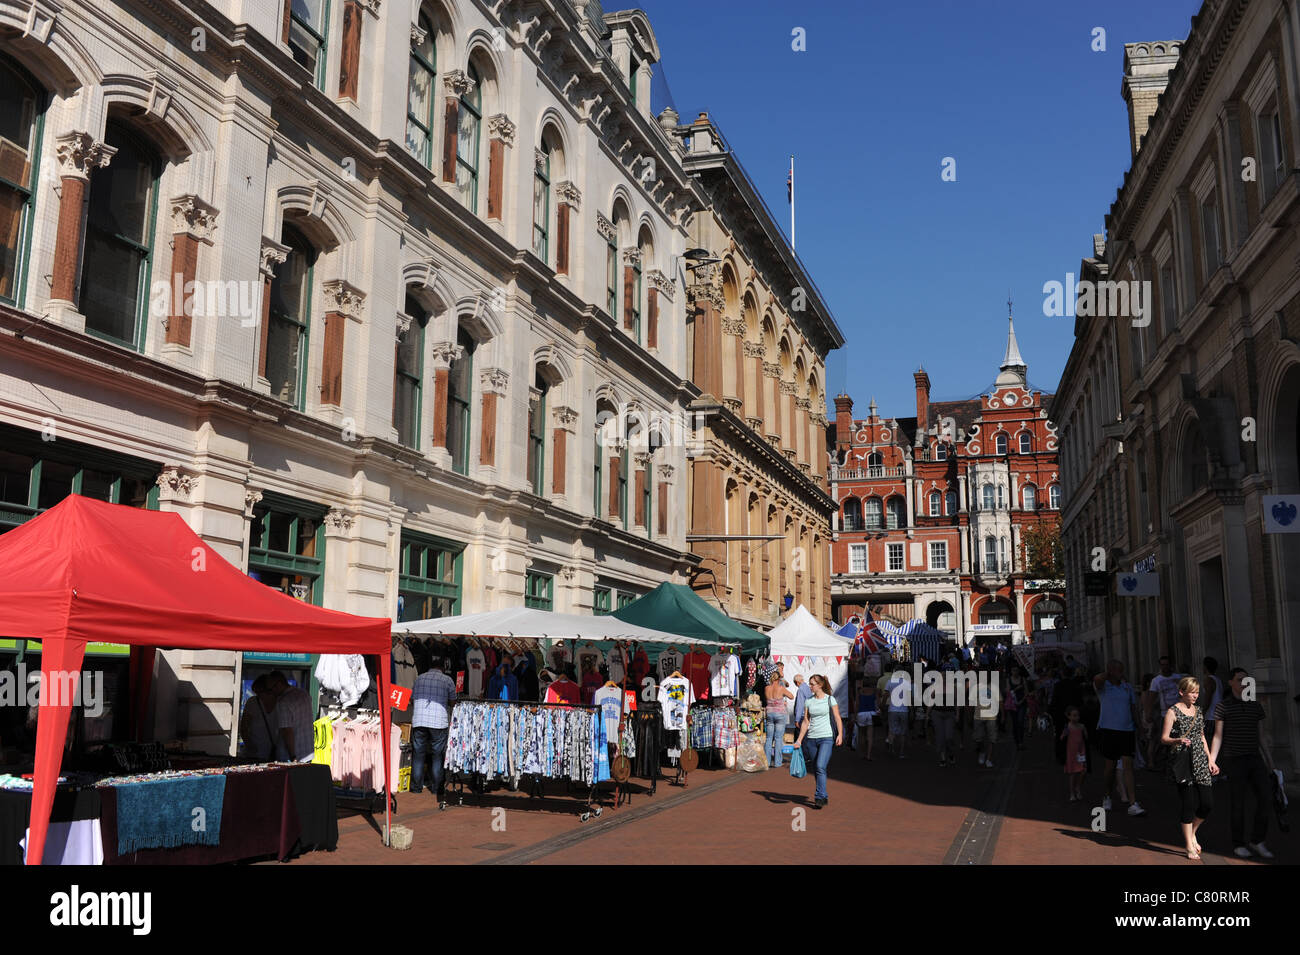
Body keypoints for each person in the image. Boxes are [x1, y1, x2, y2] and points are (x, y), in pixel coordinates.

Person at [1209, 667, 1277, 859]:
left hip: (1254, 758)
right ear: (1230, 683)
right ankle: (1238, 843)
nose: (1243, 683)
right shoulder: (1223, 706)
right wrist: (1212, 760)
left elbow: (1261, 736)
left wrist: (1270, 762)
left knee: (1266, 798)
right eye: (1239, 680)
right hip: (1234, 759)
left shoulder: (1255, 706)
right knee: (1238, 803)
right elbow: (1218, 736)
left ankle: (1257, 840)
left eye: (1246, 680)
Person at [1161, 677, 1217, 860]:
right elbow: (1164, 738)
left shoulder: (1199, 711)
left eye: (1197, 692)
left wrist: (1211, 760)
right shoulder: (1172, 712)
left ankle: (1193, 832)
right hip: (1183, 761)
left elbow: (1201, 737)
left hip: (1200, 759)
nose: (1195, 695)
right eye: (1192, 692)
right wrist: (1177, 740)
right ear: (1182, 692)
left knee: (1207, 803)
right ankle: (1188, 845)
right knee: (1188, 804)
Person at [1093, 660, 1147, 816]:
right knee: (1109, 768)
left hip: (1127, 730)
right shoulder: (1103, 687)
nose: (1121, 673)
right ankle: (1107, 796)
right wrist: (1109, 673)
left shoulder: (1127, 687)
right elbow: (1097, 679)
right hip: (1108, 730)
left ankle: (1133, 803)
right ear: (1110, 671)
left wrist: (1140, 728)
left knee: (1128, 766)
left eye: (1122, 670)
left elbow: (1133, 708)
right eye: (1117, 670)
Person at [411, 657, 457, 808]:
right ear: (443, 667)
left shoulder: (419, 678)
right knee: (437, 755)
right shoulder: (447, 680)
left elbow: (412, 698)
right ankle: (436, 788)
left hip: (419, 720)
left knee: (418, 754)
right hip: (438, 722)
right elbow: (452, 702)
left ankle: (416, 788)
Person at [793, 674, 842, 809]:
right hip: (812, 739)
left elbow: (837, 718)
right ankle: (823, 794)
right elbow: (806, 721)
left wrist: (840, 735)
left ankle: (819, 796)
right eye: (809, 684)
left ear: (819, 685)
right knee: (817, 768)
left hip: (826, 737)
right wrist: (799, 740)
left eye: (812, 684)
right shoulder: (808, 701)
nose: (810, 686)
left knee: (820, 766)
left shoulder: (830, 699)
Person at [267, 671, 313, 762]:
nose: (271, 693)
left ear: (279, 684)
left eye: (271, 689)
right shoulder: (304, 694)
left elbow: (287, 730)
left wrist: (293, 756)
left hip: (292, 756)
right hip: (308, 752)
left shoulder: (284, 702)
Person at [238, 675, 278, 760]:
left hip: (274, 753)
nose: (259, 695)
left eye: (260, 692)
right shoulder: (253, 703)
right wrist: (250, 745)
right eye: (257, 693)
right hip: (254, 754)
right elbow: (243, 728)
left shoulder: (281, 703)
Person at [763, 664, 795, 768]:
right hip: (780, 714)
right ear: (778, 679)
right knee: (778, 738)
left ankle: (766, 762)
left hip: (769, 713)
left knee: (768, 738)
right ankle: (777, 762)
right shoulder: (781, 688)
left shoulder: (767, 688)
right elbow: (791, 696)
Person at [1061, 706, 1088, 801]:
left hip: (1081, 752)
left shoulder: (1081, 726)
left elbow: (1086, 738)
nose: (1076, 718)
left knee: (1083, 771)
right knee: (1073, 773)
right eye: (1074, 716)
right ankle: (1072, 793)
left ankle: (1078, 787)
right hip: (1071, 753)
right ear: (1069, 717)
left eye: (1077, 716)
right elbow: (1062, 738)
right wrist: (1065, 733)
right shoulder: (1068, 727)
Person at [973, 668, 998, 768]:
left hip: (991, 716)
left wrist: (1002, 715)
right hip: (978, 716)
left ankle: (989, 759)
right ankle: (982, 752)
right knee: (978, 739)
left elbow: (999, 701)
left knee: (992, 739)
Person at [884, 667, 911, 758]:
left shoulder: (890, 682)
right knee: (903, 732)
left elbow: (885, 695)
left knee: (892, 730)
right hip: (904, 710)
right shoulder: (907, 683)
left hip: (892, 709)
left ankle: (892, 748)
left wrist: (883, 704)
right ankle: (901, 752)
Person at [1201, 657, 1223, 750]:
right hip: (1218, 716)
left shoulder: (1209, 680)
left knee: (1209, 744)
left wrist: (1202, 712)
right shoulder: (1218, 680)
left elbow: (1208, 698)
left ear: (1205, 667)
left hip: (1211, 717)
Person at [854, 675, 877, 760]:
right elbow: (877, 703)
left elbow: (857, 704)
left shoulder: (860, 691)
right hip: (872, 713)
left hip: (861, 713)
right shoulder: (874, 691)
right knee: (870, 736)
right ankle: (869, 755)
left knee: (862, 735)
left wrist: (855, 715)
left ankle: (863, 753)